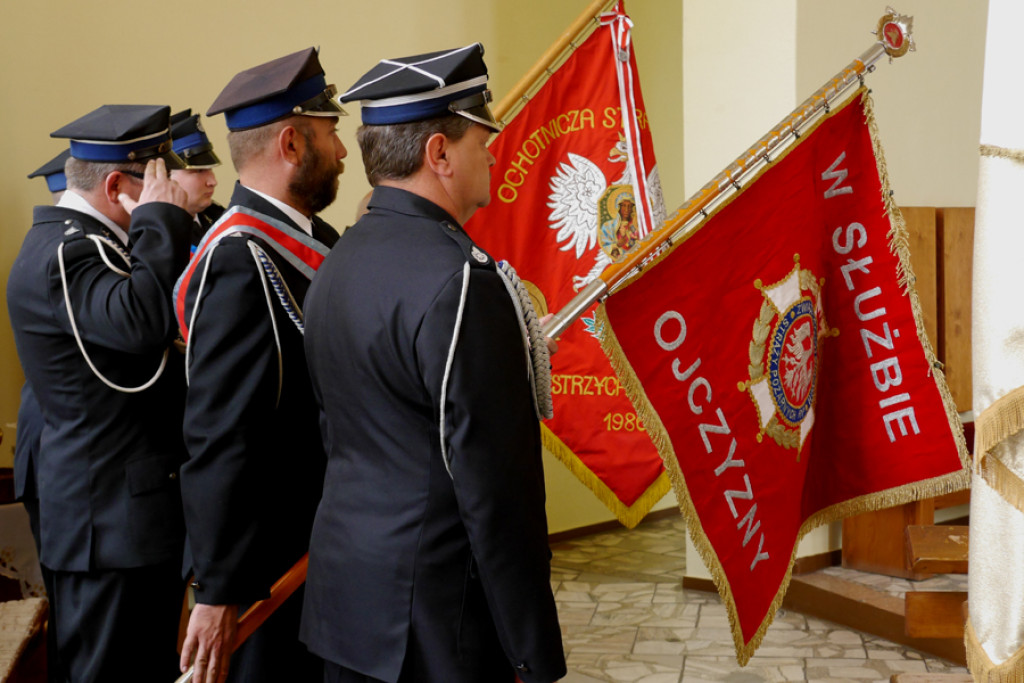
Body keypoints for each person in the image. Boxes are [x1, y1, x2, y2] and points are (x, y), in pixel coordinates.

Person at [300, 44, 566, 683]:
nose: (493, 154)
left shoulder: (338, 261)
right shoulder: (461, 280)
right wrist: (531, 648)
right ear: (439, 154)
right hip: (436, 620)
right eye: (482, 140)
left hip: (348, 603)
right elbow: (495, 488)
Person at [176, 46, 347, 683]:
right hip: (270, 564)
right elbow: (221, 435)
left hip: (323, 544)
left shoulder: (319, 239)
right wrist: (220, 587)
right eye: (330, 133)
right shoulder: (239, 259)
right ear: (292, 144)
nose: (344, 151)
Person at [7, 104, 193, 682]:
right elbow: (141, 325)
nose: (172, 191)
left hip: (123, 518)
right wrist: (161, 221)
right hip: (107, 522)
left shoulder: (84, 245)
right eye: (158, 180)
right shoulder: (69, 252)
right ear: (116, 186)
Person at [169, 109, 226, 247]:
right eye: (199, 170)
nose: (213, 182)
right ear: (165, 176)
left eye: (210, 169)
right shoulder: (158, 235)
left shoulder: (217, 216)